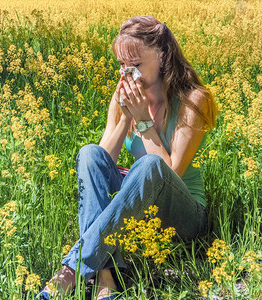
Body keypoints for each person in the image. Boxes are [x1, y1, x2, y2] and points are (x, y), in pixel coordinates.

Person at [37, 16, 217, 300]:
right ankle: (106, 277)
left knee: (149, 164)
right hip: (140, 207)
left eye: (134, 65)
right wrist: (125, 117)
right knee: (89, 154)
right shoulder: (124, 94)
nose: (126, 74)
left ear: (162, 56)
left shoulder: (193, 100)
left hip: (184, 213)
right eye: (121, 65)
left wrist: (144, 121)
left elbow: (170, 174)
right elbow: (100, 167)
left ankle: (71, 270)